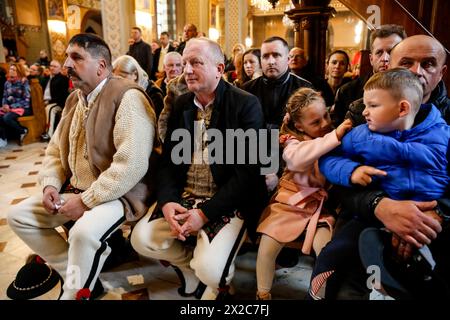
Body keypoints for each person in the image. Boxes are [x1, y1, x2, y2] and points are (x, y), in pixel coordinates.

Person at [7, 33, 157, 300]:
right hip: (77, 189)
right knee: (19, 216)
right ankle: (78, 274)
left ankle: (74, 292)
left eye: (76, 57)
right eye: (66, 57)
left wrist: (86, 201)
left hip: (119, 194)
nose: (66, 64)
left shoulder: (128, 97)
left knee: (83, 233)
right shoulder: (75, 98)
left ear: (101, 66)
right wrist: (51, 184)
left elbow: (131, 164)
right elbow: (55, 149)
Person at [131, 37, 268, 300]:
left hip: (227, 201)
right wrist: (169, 202)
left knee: (213, 272)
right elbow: (169, 164)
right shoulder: (182, 104)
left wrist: (204, 215)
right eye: (184, 64)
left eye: (196, 62)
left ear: (219, 69)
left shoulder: (245, 104)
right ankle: (189, 267)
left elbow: (248, 175)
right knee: (142, 239)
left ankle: (210, 275)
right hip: (186, 197)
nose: (188, 70)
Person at [310, 68, 450, 300]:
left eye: (373, 106)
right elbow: (327, 158)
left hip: (428, 220)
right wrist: (351, 171)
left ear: (402, 108)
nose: (364, 112)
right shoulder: (360, 135)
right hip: (371, 216)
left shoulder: (443, 135)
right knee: (332, 257)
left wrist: (437, 213)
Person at [255, 88, 352, 300]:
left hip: (319, 208)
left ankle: (318, 296)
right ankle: (263, 294)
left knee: (327, 253)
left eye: (326, 115)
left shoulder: (336, 137)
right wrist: (334, 136)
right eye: (315, 122)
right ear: (299, 126)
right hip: (288, 204)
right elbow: (297, 159)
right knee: (266, 248)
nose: (325, 124)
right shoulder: (292, 141)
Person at [333, 24, 407, 125]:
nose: (385, 58)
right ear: (371, 59)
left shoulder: (412, 90)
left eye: (391, 52)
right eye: (379, 52)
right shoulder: (347, 91)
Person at [0, 63, 31, 146]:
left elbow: (26, 100)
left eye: (14, 70)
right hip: (9, 108)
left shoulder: (24, 82)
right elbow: (4, 96)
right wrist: (4, 105)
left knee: (7, 117)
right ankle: (3, 137)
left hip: (23, 107)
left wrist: (10, 107)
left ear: (19, 71)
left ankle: (23, 130)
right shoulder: (7, 83)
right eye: (10, 69)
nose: (11, 71)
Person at [41, 60, 70, 140]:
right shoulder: (46, 78)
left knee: (49, 109)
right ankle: (42, 131)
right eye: (51, 66)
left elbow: (61, 96)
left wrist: (48, 102)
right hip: (44, 101)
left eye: (55, 66)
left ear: (60, 68)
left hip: (58, 102)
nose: (52, 68)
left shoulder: (63, 79)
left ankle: (48, 133)